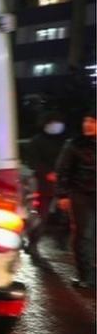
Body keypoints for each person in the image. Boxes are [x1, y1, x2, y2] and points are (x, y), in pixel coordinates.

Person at [56, 109, 96, 288]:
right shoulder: (74, 144)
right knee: (83, 234)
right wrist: (63, 194)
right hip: (81, 194)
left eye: (93, 121)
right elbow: (63, 170)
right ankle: (86, 277)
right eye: (86, 120)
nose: (87, 124)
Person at [25, 111, 69, 255]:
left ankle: (62, 242)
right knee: (41, 217)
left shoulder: (65, 142)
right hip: (44, 185)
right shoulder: (36, 141)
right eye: (52, 123)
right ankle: (33, 244)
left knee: (66, 216)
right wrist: (47, 173)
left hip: (64, 185)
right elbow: (33, 161)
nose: (56, 126)